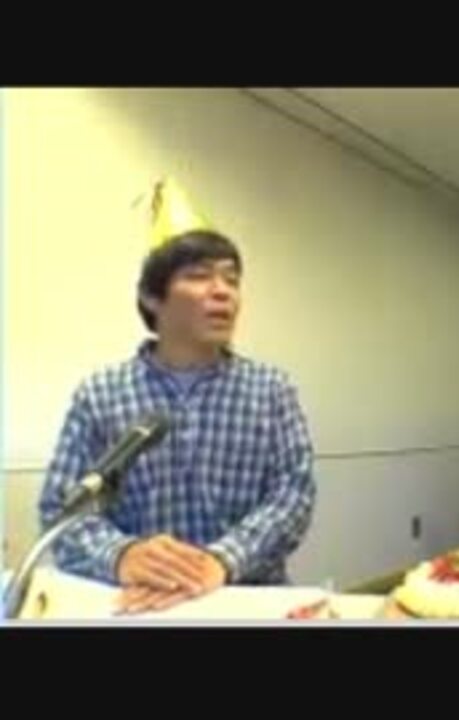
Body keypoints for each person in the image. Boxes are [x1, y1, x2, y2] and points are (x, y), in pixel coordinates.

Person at [38, 178, 317, 615]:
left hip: (246, 601)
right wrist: (122, 555)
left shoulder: (272, 391)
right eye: (199, 276)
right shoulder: (100, 394)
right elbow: (61, 508)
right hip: (138, 607)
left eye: (232, 279)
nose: (223, 291)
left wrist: (221, 560)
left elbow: (293, 496)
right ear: (152, 298)